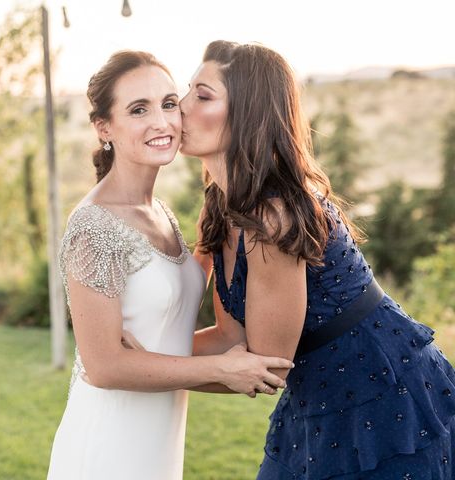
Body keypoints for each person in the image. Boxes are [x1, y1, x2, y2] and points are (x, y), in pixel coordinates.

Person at [179, 40, 455, 479]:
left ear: (249, 113)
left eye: (203, 95)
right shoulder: (218, 206)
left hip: (384, 396)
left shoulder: (273, 218)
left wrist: (148, 372)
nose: (181, 105)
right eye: (188, 90)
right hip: (317, 400)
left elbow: (265, 366)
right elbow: (231, 339)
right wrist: (139, 359)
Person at [46, 50, 293, 480]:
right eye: (138, 109)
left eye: (167, 103)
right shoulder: (92, 225)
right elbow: (103, 366)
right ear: (104, 127)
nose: (161, 122)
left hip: (159, 434)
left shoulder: (161, 212)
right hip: (109, 438)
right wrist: (221, 369)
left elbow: (177, 299)